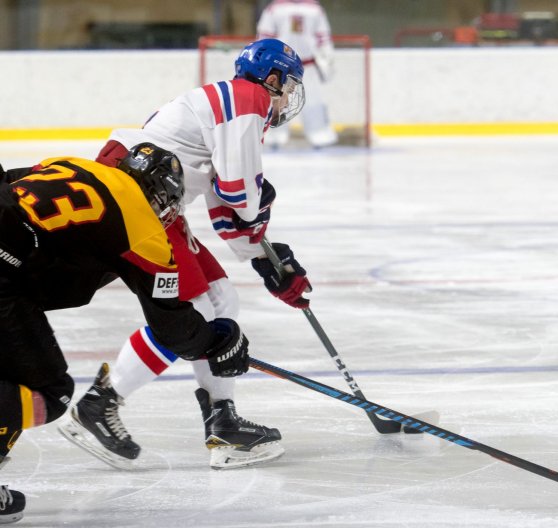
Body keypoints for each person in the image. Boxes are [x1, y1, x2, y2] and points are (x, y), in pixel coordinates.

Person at [58, 38, 313, 471]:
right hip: (133, 197)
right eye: (287, 86)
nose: (287, 97)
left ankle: (223, 422)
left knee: (220, 300)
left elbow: (226, 206)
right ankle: (100, 405)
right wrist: (261, 209)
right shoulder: (247, 99)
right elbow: (240, 196)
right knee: (190, 310)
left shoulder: (231, 105)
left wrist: (266, 261)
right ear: (271, 79)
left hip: (156, 202)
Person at [0, 143, 251, 524]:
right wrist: (220, 340)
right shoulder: (141, 224)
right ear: (159, 193)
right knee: (49, 394)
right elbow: (173, 328)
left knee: (10, 375)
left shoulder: (69, 164)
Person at [257, 0, 338, 148]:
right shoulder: (275, 9)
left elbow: (323, 37)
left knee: (313, 102)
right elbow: (265, 37)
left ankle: (319, 134)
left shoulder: (314, 9)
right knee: (278, 102)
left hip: (306, 65)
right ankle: (275, 136)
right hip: (282, 66)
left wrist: (327, 57)